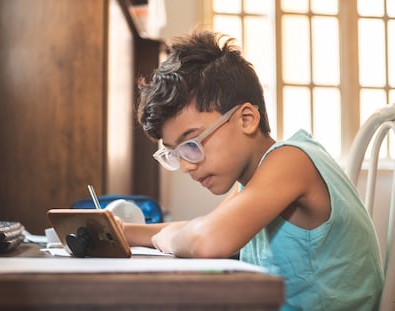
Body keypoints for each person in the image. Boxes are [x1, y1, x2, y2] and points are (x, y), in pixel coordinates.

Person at [123, 30, 384, 310]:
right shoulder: (256, 179)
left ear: (246, 119)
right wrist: (124, 231)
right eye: (175, 153)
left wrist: (164, 238)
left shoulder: (291, 161)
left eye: (192, 143)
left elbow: (209, 239)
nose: (186, 165)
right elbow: (206, 226)